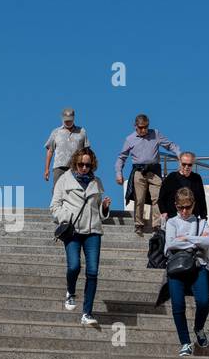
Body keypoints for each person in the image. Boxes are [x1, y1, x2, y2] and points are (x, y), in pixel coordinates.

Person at [50, 146, 112, 327]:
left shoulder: (97, 182)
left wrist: (105, 208)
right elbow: (54, 206)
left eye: (88, 165)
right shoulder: (64, 180)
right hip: (73, 230)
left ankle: (87, 312)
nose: (84, 168)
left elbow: (98, 210)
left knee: (92, 272)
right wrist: (66, 217)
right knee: (74, 266)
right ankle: (70, 291)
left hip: (93, 231)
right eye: (81, 164)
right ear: (75, 163)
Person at [160, 188, 209, 357]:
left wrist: (186, 239)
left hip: (197, 265)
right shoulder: (172, 223)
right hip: (176, 266)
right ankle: (185, 342)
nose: (184, 211)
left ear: (193, 205)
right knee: (177, 305)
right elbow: (169, 245)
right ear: (176, 206)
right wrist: (196, 242)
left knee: (204, 302)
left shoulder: (201, 222)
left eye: (188, 207)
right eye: (180, 207)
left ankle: (198, 328)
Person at [115, 114, 180, 236]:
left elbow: (170, 145)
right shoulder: (130, 139)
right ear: (135, 126)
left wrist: (179, 154)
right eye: (141, 127)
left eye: (146, 127)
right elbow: (121, 157)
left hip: (154, 171)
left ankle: (156, 225)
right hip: (139, 172)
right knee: (139, 199)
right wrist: (119, 173)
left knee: (157, 198)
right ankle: (139, 224)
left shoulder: (155, 134)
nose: (144, 130)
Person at [43, 108, 89, 201]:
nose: (68, 123)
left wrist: (87, 166)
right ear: (62, 119)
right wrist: (46, 169)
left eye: (70, 121)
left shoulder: (82, 131)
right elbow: (50, 150)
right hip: (59, 166)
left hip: (76, 167)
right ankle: (57, 209)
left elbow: (87, 150)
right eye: (66, 121)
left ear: (74, 118)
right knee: (57, 190)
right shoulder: (56, 132)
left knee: (75, 190)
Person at [157, 152, 208, 227]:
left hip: (192, 220)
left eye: (189, 164)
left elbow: (201, 199)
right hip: (173, 219)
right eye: (184, 164)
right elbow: (161, 198)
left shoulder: (197, 178)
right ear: (180, 163)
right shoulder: (171, 177)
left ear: (193, 164)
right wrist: (163, 212)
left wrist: (204, 217)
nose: (187, 167)